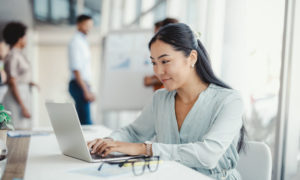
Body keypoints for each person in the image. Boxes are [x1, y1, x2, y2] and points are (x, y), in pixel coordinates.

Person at [88, 23, 246, 180]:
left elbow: (208, 155)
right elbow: (133, 133)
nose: (157, 71)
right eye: (154, 63)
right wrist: (107, 142)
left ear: (191, 58)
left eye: (165, 61)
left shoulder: (229, 101)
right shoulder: (160, 98)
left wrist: (145, 149)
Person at [2, 22, 39, 129]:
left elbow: (19, 76)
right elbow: (12, 81)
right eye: (25, 36)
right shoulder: (12, 55)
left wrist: (30, 82)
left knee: (24, 128)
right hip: (16, 96)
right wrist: (22, 106)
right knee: (17, 130)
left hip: (23, 92)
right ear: (19, 38)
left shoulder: (18, 54)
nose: (26, 39)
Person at [68, 15, 95, 125]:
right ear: (79, 24)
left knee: (84, 121)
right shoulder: (76, 42)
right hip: (79, 85)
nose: (89, 28)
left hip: (83, 84)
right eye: (86, 25)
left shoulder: (83, 41)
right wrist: (86, 91)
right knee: (86, 123)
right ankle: (86, 143)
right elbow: (76, 69)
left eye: (91, 26)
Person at [144, 17, 179, 91]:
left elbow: (175, 74)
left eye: (158, 33)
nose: (156, 37)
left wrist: (152, 80)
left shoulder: (176, 51)